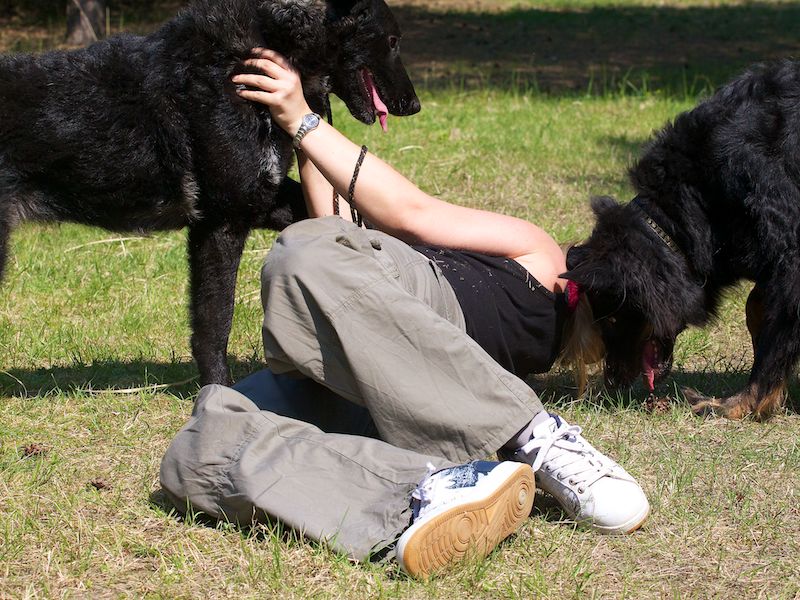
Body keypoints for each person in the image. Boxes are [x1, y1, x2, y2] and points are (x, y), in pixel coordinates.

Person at [160, 49, 650, 579]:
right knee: (195, 450)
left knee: (298, 259)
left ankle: (497, 455)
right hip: (370, 364)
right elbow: (338, 232)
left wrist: (301, 119)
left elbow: (410, 214)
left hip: (404, 386)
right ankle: (442, 484)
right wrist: (311, 115)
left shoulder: (546, 259)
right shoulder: (543, 299)